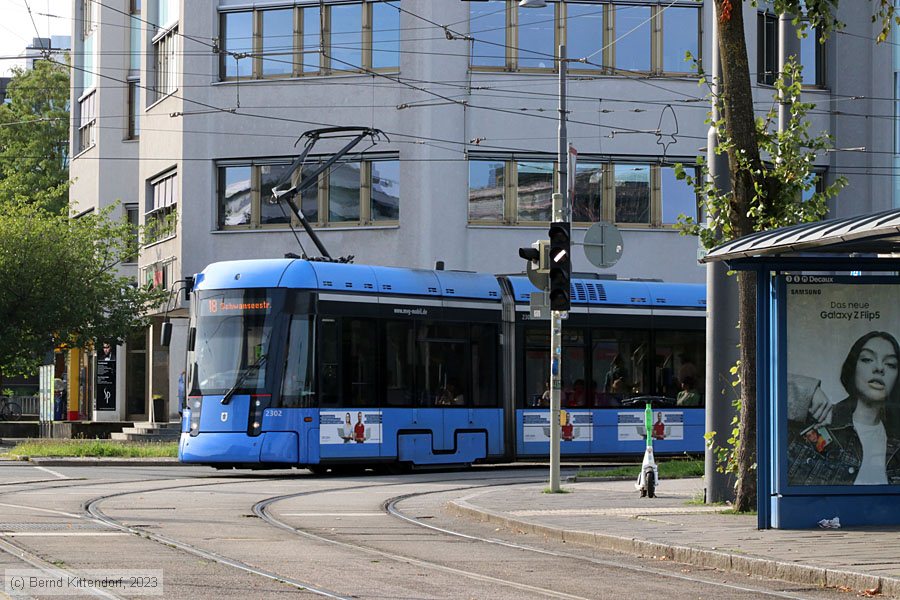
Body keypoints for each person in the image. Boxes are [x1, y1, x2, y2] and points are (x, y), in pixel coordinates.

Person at [788, 331, 900, 485]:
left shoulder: (896, 440)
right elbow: (764, 390)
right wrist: (809, 391)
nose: (880, 368)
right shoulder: (820, 421)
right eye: (867, 359)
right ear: (853, 368)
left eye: (891, 364)